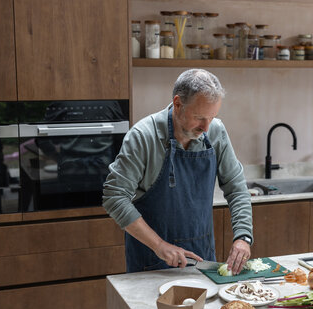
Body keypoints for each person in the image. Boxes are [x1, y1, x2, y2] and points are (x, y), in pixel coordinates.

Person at [103, 69, 253, 275]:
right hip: (151, 262)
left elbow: (236, 188)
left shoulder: (216, 132)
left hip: (202, 260)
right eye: (200, 117)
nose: (206, 127)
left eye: (212, 117)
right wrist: (159, 245)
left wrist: (243, 237)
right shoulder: (143, 136)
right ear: (177, 103)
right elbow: (114, 197)